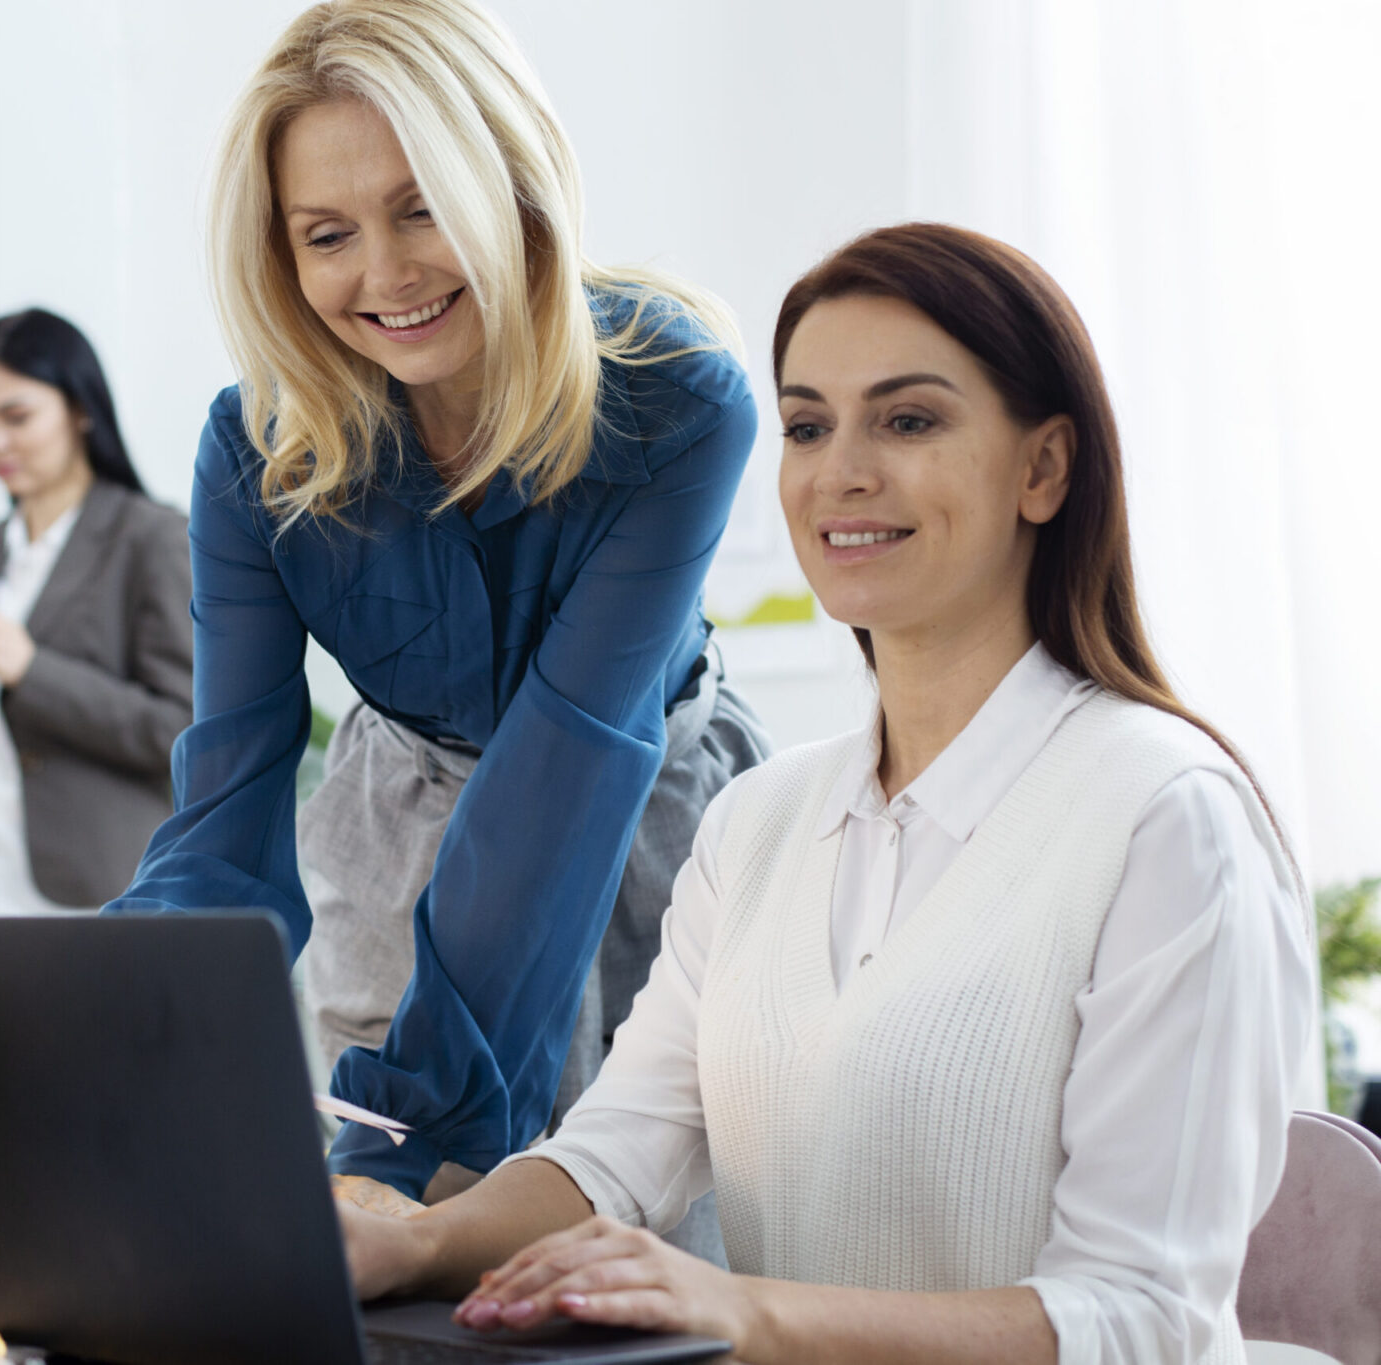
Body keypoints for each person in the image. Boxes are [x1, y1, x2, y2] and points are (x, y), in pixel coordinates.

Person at [340, 223, 1318, 1365]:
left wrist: (743, 1311)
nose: (840, 471)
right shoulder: (757, 821)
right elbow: (617, 1152)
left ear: (1042, 468)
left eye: (907, 420)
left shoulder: (1164, 818)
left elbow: (1141, 1317)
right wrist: (411, 1242)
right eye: (807, 426)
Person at [104, 0, 769, 1211]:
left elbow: (567, 762)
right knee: (389, 1237)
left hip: (649, 815)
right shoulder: (253, 448)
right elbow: (231, 793)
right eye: (326, 234)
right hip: (394, 804)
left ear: (512, 185)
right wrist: (128, 1023)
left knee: (651, 1229)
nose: (384, 275)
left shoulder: (676, 398)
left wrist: (409, 1137)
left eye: (421, 207)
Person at [0, 309, 191, 912]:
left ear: (80, 409)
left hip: (85, 886)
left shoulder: (151, 539)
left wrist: (29, 668)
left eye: (16, 416)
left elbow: (181, 729)